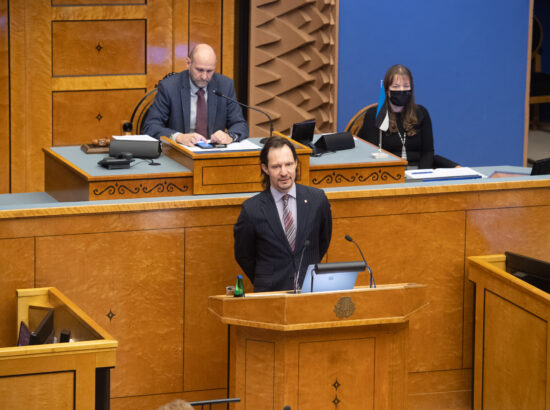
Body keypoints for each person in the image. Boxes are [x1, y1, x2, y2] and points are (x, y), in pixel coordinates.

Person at [234, 136, 332, 292]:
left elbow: (323, 241)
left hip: (310, 289)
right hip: (270, 294)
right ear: (265, 168)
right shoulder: (251, 209)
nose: (284, 172)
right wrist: (266, 278)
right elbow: (244, 255)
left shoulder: (317, 199)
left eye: (289, 164)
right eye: (276, 167)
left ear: (296, 164)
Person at [142, 43, 248, 146]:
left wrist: (229, 136)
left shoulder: (225, 85)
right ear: (188, 63)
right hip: (179, 154)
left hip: (213, 154)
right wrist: (178, 137)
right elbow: (150, 127)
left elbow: (240, 124)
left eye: (209, 71)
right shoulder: (169, 87)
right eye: (199, 70)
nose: (204, 77)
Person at [357, 64, 434, 169]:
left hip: (417, 172)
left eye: (406, 86)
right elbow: (370, 153)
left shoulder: (421, 113)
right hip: (387, 173)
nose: (402, 90)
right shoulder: (375, 115)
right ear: (387, 91)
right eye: (396, 87)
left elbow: (428, 152)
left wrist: (423, 175)